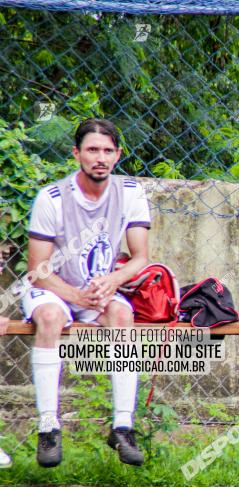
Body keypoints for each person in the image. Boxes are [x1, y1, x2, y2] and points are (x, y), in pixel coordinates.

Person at [24, 118, 150, 468]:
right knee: (50, 317)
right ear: (76, 153)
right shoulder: (51, 198)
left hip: (98, 288)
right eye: (93, 149)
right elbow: (38, 271)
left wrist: (113, 280)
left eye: (108, 151)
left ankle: (123, 427)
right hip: (52, 289)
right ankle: (48, 427)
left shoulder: (130, 192)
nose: (100, 157)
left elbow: (140, 257)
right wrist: (76, 297)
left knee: (122, 314)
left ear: (118, 155)